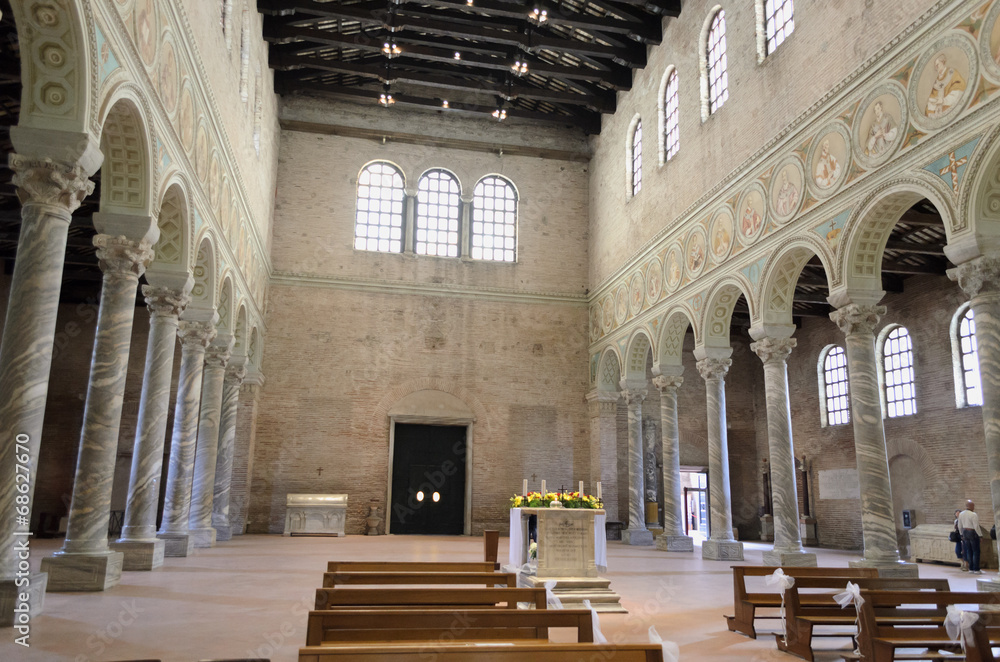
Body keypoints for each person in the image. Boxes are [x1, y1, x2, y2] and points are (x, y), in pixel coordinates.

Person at [924, 53, 966, 118]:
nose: (936, 68)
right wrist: (932, 103)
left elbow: (959, 91)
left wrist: (943, 100)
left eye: (937, 65)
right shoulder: (936, 82)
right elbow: (932, 97)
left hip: (951, 111)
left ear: (943, 62)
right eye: (935, 66)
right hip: (940, 115)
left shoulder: (952, 73)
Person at [958, 500, 988, 574]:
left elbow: (959, 525)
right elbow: (976, 526)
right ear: (969, 506)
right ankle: (976, 569)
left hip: (965, 532)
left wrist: (961, 534)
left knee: (969, 551)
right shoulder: (973, 514)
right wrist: (980, 535)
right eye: (973, 505)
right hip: (972, 532)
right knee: (976, 551)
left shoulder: (961, 514)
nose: (974, 507)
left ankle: (971, 569)